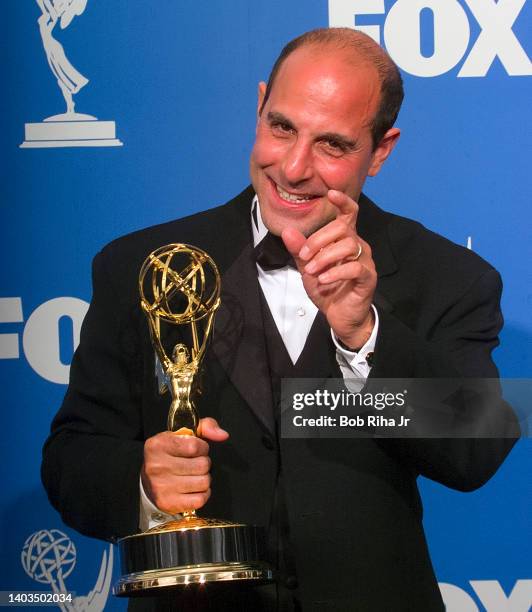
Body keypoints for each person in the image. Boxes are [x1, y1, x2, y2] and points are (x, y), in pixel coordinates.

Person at [42, 28, 519, 611]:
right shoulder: (141, 267)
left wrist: (363, 335)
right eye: (282, 127)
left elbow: (476, 452)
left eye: (333, 145)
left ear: (382, 149)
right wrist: (142, 482)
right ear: (261, 103)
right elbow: (71, 462)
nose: (293, 168)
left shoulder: (449, 277)